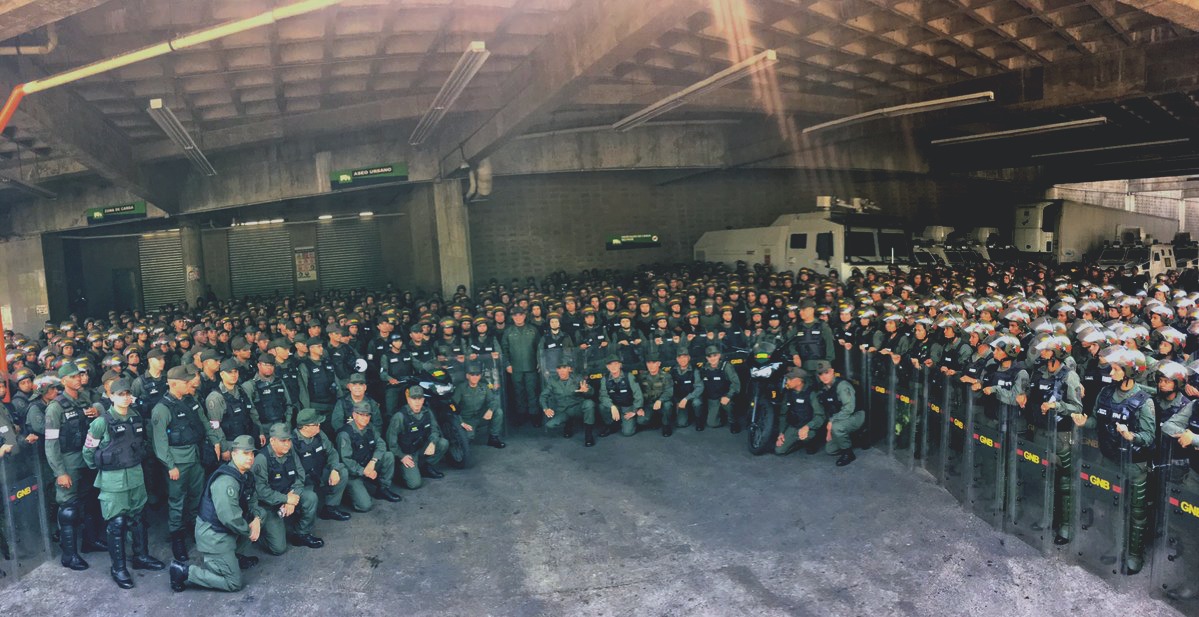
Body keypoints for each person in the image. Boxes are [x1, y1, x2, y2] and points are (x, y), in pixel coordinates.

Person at [81, 377, 166, 588]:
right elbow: (88, 451)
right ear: (111, 397)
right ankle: (118, 568)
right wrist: (102, 468)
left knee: (138, 518)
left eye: (128, 394)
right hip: (113, 482)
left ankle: (141, 556)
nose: (126, 397)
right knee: (117, 524)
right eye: (121, 394)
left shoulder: (135, 417)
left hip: (135, 476)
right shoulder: (101, 422)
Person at [169, 435, 263, 593]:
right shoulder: (226, 482)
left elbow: (253, 500)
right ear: (233, 454)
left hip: (227, 530)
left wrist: (257, 519)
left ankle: (233, 557)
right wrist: (251, 529)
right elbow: (230, 520)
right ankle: (184, 572)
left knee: (261, 517)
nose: (250, 458)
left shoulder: (246, 475)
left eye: (252, 454)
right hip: (214, 535)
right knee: (234, 583)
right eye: (245, 453)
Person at [151, 365, 224, 563]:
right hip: (177, 462)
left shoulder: (192, 401)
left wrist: (215, 440)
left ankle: (194, 527)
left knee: (196, 495)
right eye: (186, 381)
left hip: (196, 457)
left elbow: (204, 422)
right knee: (177, 499)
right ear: (173, 384)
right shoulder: (162, 408)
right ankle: (177, 535)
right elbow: (160, 443)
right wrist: (170, 466)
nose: (191, 383)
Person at [44, 362, 105, 570]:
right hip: (68, 461)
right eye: (73, 376)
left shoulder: (84, 399)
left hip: (86, 458)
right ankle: (69, 555)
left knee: (90, 502)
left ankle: (90, 541)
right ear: (64, 381)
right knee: (68, 507)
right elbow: (51, 444)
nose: (79, 379)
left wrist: (97, 410)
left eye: (79, 375)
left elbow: (101, 405)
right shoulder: (56, 407)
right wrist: (59, 472)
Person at [251, 423, 323, 555]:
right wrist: (286, 499)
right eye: (283, 441)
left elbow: (300, 476)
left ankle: (301, 533)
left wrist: (292, 496)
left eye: (289, 440)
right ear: (272, 441)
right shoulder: (261, 459)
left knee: (310, 498)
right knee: (278, 549)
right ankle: (262, 533)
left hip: (288, 495)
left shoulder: (290, 452)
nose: (287, 444)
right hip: (268, 505)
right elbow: (260, 491)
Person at [336, 402, 402, 511]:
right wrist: (364, 471)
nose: (365, 418)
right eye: (361, 414)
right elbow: (346, 461)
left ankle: (383, 489)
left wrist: (373, 461)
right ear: (354, 415)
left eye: (367, 415)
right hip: (353, 473)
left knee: (388, 456)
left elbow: (381, 444)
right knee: (365, 506)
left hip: (367, 464)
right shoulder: (345, 434)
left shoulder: (369, 427)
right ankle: (348, 493)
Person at [292, 408, 351, 522]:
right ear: (305, 427)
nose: (319, 425)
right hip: (302, 481)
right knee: (309, 503)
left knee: (342, 472)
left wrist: (334, 469)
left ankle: (330, 508)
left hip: (318, 473)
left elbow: (332, 452)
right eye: (316, 424)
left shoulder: (319, 434)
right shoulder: (292, 442)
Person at [387, 386, 448, 489]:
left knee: (443, 443)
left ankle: (426, 467)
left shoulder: (427, 412)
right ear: (408, 399)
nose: (417, 402)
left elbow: (435, 430)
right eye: (414, 399)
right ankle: (401, 472)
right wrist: (401, 456)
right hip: (407, 454)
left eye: (419, 398)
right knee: (414, 484)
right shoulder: (400, 417)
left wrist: (432, 443)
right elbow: (391, 442)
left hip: (421, 449)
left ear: (423, 400)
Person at [815, 360, 863, 466]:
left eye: (826, 372)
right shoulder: (824, 389)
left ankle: (848, 454)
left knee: (837, 428)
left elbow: (849, 408)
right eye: (820, 374)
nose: (824, 376)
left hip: (856, 415)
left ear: (832, 371)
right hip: (841, 418)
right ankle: (852, 438)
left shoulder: (842, 385)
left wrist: (832, 423)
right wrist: (829, 429)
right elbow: (830, 410)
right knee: (830, 450)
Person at [541, 358, 598, 446]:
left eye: (564, 368)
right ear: (557, 370)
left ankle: (588, 435)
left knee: (589, 404)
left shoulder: (577, 378)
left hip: (577, 407)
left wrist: (586, 390)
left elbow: (591, 391)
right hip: (564, 410)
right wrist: (546, 408)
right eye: (559, 368)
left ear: (569, 369)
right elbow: (543, 396)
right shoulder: (552, 380)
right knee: (550, 425)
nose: (561, 371)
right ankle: (568, 423)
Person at [501, 307, 541, 427]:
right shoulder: (508, 331)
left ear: (524, 316)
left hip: (531, 366)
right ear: (512, 317)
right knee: (518, 393)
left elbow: (539, 348)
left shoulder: (533, 330)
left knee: (532, 392)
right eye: (515, 315)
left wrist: (539, 362)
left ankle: (534, 416)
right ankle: (521, 416)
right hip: (515, 367)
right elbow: (504, 349)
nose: (518, 318)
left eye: (520, 315)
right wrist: (507, 364)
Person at [453, 360, 506, 449]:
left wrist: (490, 410)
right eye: (472, 375)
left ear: (480, 376)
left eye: (477, 375)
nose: (475, 377)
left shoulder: (484, 387)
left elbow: (493, 400)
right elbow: (453, 407)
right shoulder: (461, 388)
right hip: (467, 419)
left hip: (481, 416)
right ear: (467, 376)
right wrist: (461, 422)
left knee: (498, 412)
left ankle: (493, 438)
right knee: (468, 438)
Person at [775, 368, 826, 455]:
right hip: (794, 426)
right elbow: (783, 414)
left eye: (789, 379)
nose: (787, 382)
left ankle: (810, 443)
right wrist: (781, 433)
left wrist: (808, 426)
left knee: (806, 437)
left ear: (799, 381)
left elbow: (820, 416)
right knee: (779, 450)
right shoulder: (788, 393)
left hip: (808, 427)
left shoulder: (811, 394)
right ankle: (797, 442)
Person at [599, 356, 644, 437]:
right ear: (607, 367)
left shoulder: (629, 376)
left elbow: (638, 395)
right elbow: (603, 396)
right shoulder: (604, 379)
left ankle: (630, 421)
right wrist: (612, 406)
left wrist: (634, 411)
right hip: (614, 406)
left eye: (615, 364)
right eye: (610, 365)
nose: (613, 367)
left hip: (628, 406)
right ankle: (610, 425)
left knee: (628, 432)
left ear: (620, 365)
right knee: (602, 406)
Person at [698, 345, 740, 431]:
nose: (712, 358)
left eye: (715, 355)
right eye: (709, 356)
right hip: (712, 398)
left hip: (725, 396)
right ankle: (721, 415)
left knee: (728, 404)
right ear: (707, 358)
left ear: (719, 355)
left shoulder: (726, 366)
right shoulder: (704, 368)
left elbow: (736, 383)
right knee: (712, 424)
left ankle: (733, 422)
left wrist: (728, 396)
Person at [636, 353, 674, 436]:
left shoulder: (666, 376)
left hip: (662, 403)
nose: (651, 365)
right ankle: (654, 419)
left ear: (659, 364)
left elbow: (669, 391)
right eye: (649, 363)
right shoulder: (642, 376)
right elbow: (637, 393)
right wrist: (639, 407)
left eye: (654, 363)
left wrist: (660, 400)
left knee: (668, 405)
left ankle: (666, 426)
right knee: (641, 421)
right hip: (648, 404)